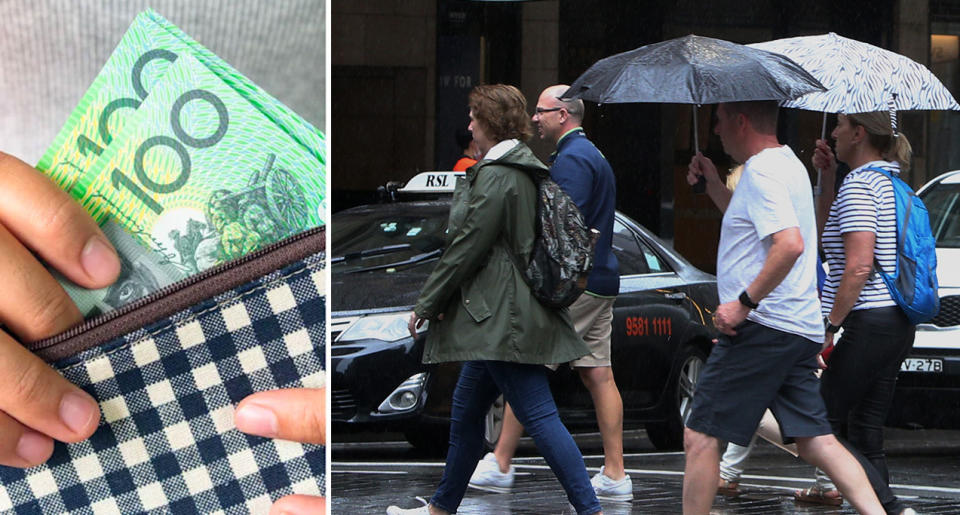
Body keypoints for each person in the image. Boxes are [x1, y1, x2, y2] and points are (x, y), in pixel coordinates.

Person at [389, 84, 603, 515]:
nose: (468, 125)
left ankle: (590, 509)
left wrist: (427, 302)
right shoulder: (521, 169)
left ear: (490, 121)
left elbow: (468, 244)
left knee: (540, 417)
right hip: (499, 317)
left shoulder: (498, 175)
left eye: (473, 116)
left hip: (501, 320)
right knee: (467, 416)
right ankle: (440, 509)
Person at [681, 100, 884, 514]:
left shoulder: (761, 171)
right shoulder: (788, 163)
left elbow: (790, 244)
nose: (716, 132)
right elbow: (760, 228)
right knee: (818, 440)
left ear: (740, 122)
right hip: (796, 326)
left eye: (719, 122)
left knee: (700, 435)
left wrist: (742, 303)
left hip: (762, 325)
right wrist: (715, 186)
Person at [468, 84, 631, 501]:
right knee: (599, 374)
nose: (534, 118)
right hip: (602, 278)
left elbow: (560, 229)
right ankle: (615, 473)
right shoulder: (593, 154)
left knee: (527, 365)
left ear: (564, 115)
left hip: (575, 284)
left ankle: (501, 461)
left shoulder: (573, 159)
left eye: (541, 111)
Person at [792, 111, 918, 514]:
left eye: (841, 125)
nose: (833, 132)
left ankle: (892, 508)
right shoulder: (887, 181)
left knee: (818, 424)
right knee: (865, 431)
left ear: (859, 134)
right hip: (895, 319)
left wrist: (830, 325)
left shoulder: (862, 185)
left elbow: (859, 265)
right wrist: (827, 179)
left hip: (870, 320)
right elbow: (831, 235)